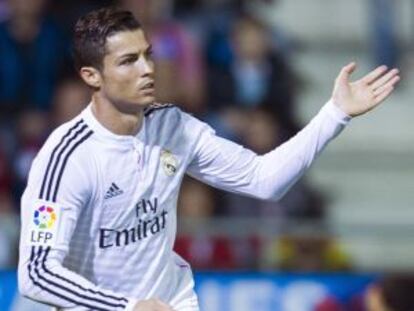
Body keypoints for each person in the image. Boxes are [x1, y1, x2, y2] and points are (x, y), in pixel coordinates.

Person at [17, 6, 400, 311]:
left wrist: (335, 113)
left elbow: (264, 179)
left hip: (174, 301)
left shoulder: (173, 126)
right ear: (92, 76)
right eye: (128, 60)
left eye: (148, 55)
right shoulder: (66, 158)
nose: (148, 69)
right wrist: (128, 306)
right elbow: (35, 274)